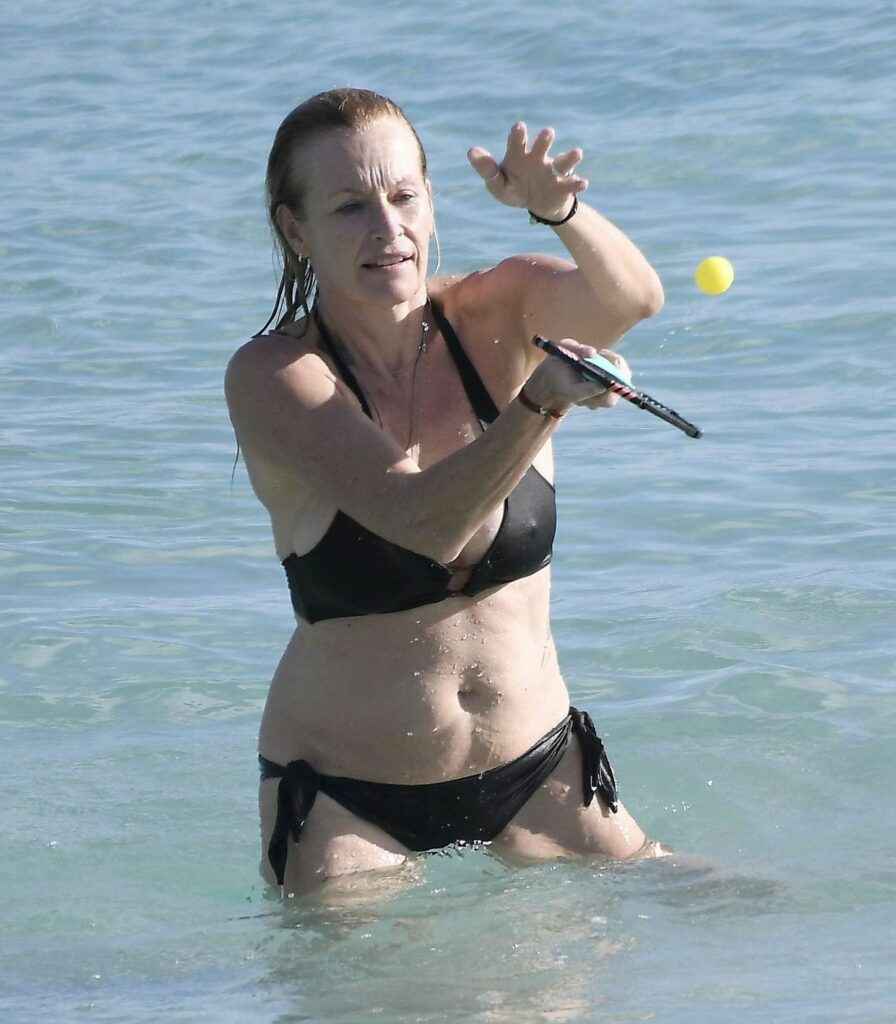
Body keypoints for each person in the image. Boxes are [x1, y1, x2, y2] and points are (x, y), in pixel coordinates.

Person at [225, 88, 667, 896]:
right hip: (348, 800)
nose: (387, 229)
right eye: (350, 207)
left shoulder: (498, 312)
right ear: (296, 230)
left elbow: (630, 300)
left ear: (431, 200)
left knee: (745, 920)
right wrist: (542, 402)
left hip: (541, 771)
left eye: (404, 196)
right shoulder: (275, 376)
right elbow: (422, 522)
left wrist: (560, 211)